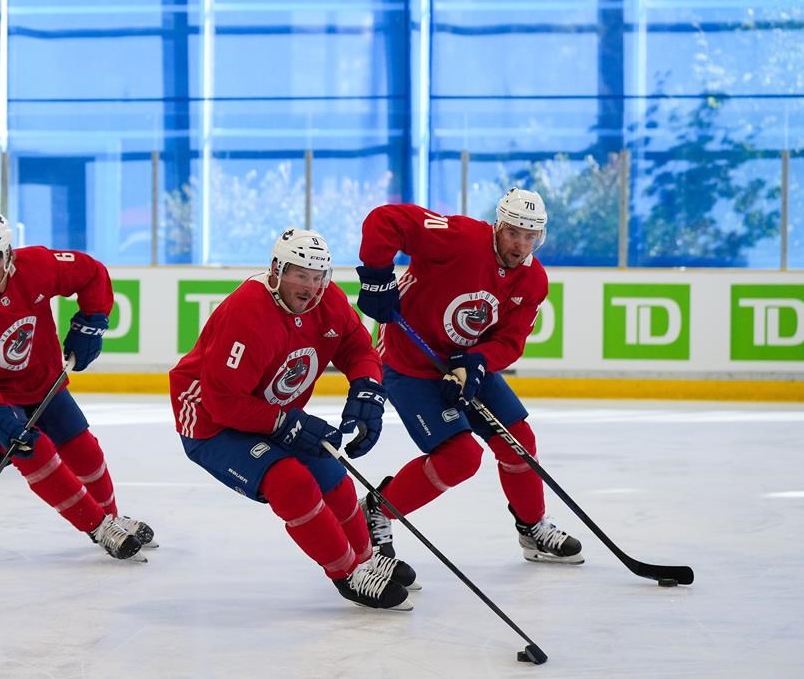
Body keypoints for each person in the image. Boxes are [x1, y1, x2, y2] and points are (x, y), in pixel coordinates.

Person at [169, 228, 418, 611]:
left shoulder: (327, 301)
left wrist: (367, 389)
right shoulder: (247, 313)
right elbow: (223, 403)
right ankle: (347, 572)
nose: (310, 287)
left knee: (332, 473)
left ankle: (367, 558)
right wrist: (288, 424)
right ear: (276, 270)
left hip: (270, 411)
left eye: (318, 277)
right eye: (300, 274)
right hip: (210, 423)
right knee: (291, 482)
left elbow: (357, 347)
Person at [353, 187, 584, 566]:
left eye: (530, 237)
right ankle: (376, 510)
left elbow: (510, 341)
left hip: (461, 362)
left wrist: (476, 361)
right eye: (513, 233)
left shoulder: (532, 281)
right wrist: (377, 276)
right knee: (460, 457)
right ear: (498, 226)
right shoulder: (460, 238)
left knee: (519, 440)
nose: (520, 245)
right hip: (409, 362)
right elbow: (385, 220)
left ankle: (531, 526)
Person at [0, 212, 155, 562]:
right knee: (34, 451)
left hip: (40, 382)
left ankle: (112, 517)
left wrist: (92, 321)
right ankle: (99, 528)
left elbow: (91, 272)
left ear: (8, 255)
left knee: (85, 450)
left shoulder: (35, 265)